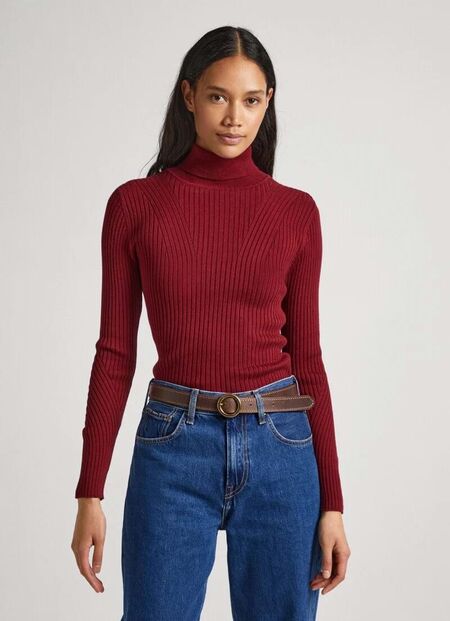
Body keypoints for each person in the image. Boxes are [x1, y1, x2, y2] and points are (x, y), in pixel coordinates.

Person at [71, 25, 351, 621]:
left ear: (267, 103)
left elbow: (308, 361)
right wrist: (89, 490)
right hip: (174, 445)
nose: (233, 117)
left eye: (250, 100)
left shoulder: (295, 213)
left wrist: (334, 502)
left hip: (282, 447)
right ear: (189, 95)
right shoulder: (135, 206)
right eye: (218, 96)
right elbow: (115, 352)